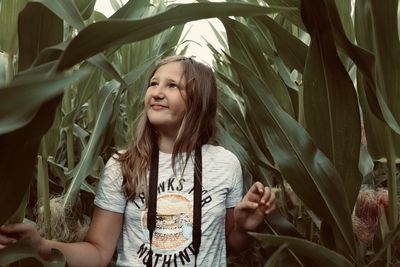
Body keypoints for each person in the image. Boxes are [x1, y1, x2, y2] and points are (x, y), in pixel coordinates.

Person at [0, 55, 276, 267]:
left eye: (172, 86)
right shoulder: (123, 164)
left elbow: (226, 246)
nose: (156, 92)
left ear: (199, 101)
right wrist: (41, 246)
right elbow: (98, 252)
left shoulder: (225, 164)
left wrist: (242, 227)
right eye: (153, 83)